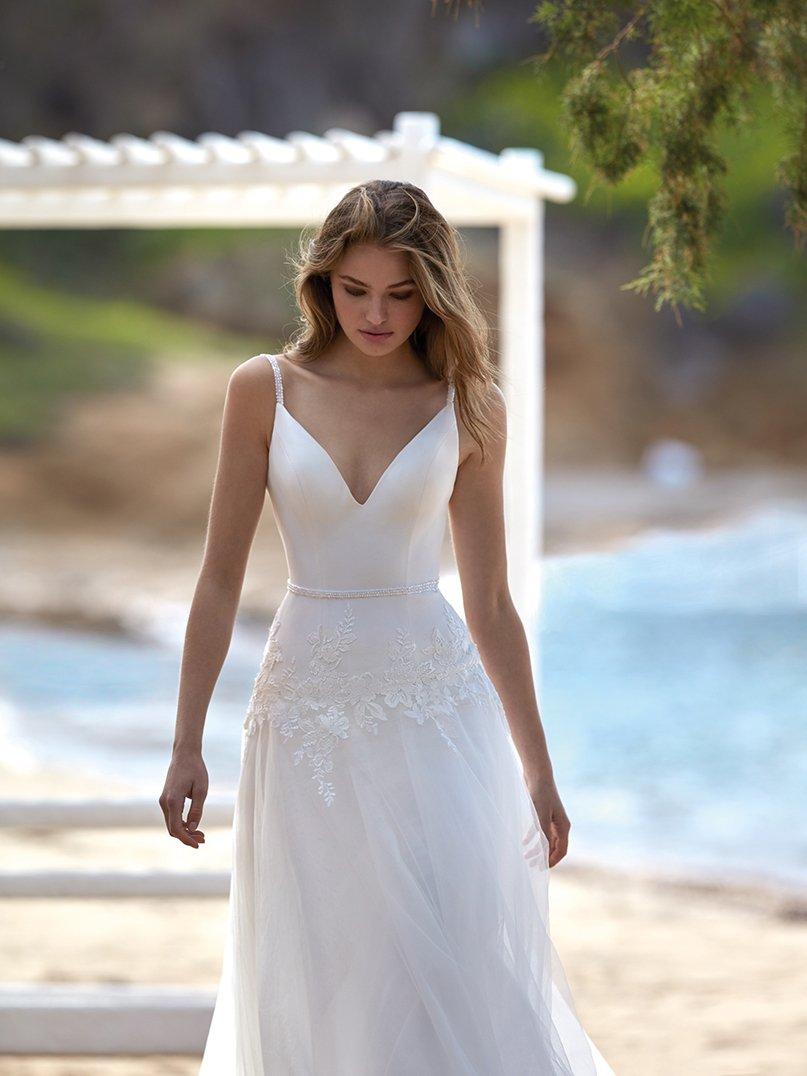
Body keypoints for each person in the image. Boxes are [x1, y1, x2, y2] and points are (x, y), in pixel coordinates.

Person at [160, 179, 615, 1074]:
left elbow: (489, 602)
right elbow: (218, 581)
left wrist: (539, 766)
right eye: (355, 289)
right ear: (322, 284)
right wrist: (185, 744)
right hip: (305, 716)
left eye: (401, 294)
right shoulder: (264, 390)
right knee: (326, 961)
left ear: (433, 291)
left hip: (438, 711)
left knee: (449, 948)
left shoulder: (469, 402)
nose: (376, 313)